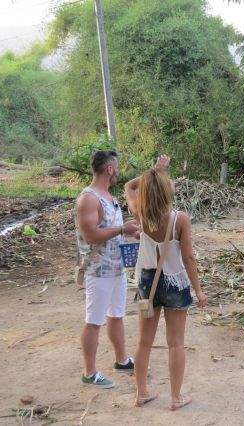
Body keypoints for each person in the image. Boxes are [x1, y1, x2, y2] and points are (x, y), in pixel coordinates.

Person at [124, 156, 208, 410]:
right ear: (165, 189)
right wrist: (199, 291)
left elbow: (129, 186)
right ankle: (175, 397)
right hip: (175, 283)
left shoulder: (140, 212)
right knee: (176, 343)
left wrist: (153, 172)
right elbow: (189, 257)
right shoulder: (179, 219)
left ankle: (141, 393)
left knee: (143, 342)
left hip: (146, 283)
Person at [75, 150, 139, 388]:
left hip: (116, 268)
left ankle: (121, 360)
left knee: (116, 316)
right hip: (98, 270)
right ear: (110, 169)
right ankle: (89, 373)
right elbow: (91, 235)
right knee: (94, 321)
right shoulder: (89, 198)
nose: (118, 172)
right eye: (117, 168)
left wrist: (130, 230)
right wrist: (122, 230)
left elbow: (113, 230)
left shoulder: (109, 197)